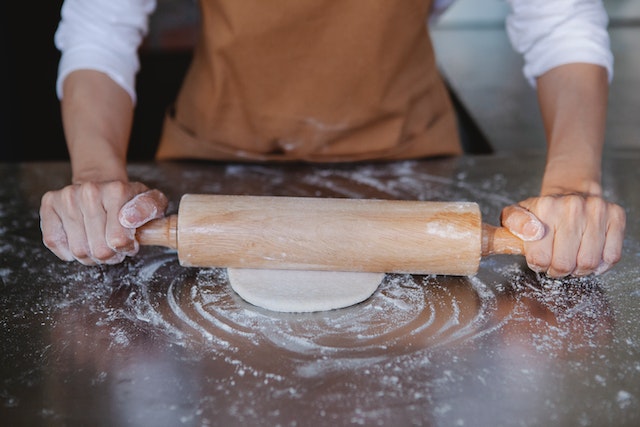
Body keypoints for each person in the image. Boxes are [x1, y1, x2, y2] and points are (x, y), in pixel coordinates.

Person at [40, 0, 626, 278]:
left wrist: (573, 185)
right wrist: (95, 176)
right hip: (213, 160)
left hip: (412, 160)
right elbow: (101, 27)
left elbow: (559, 22)